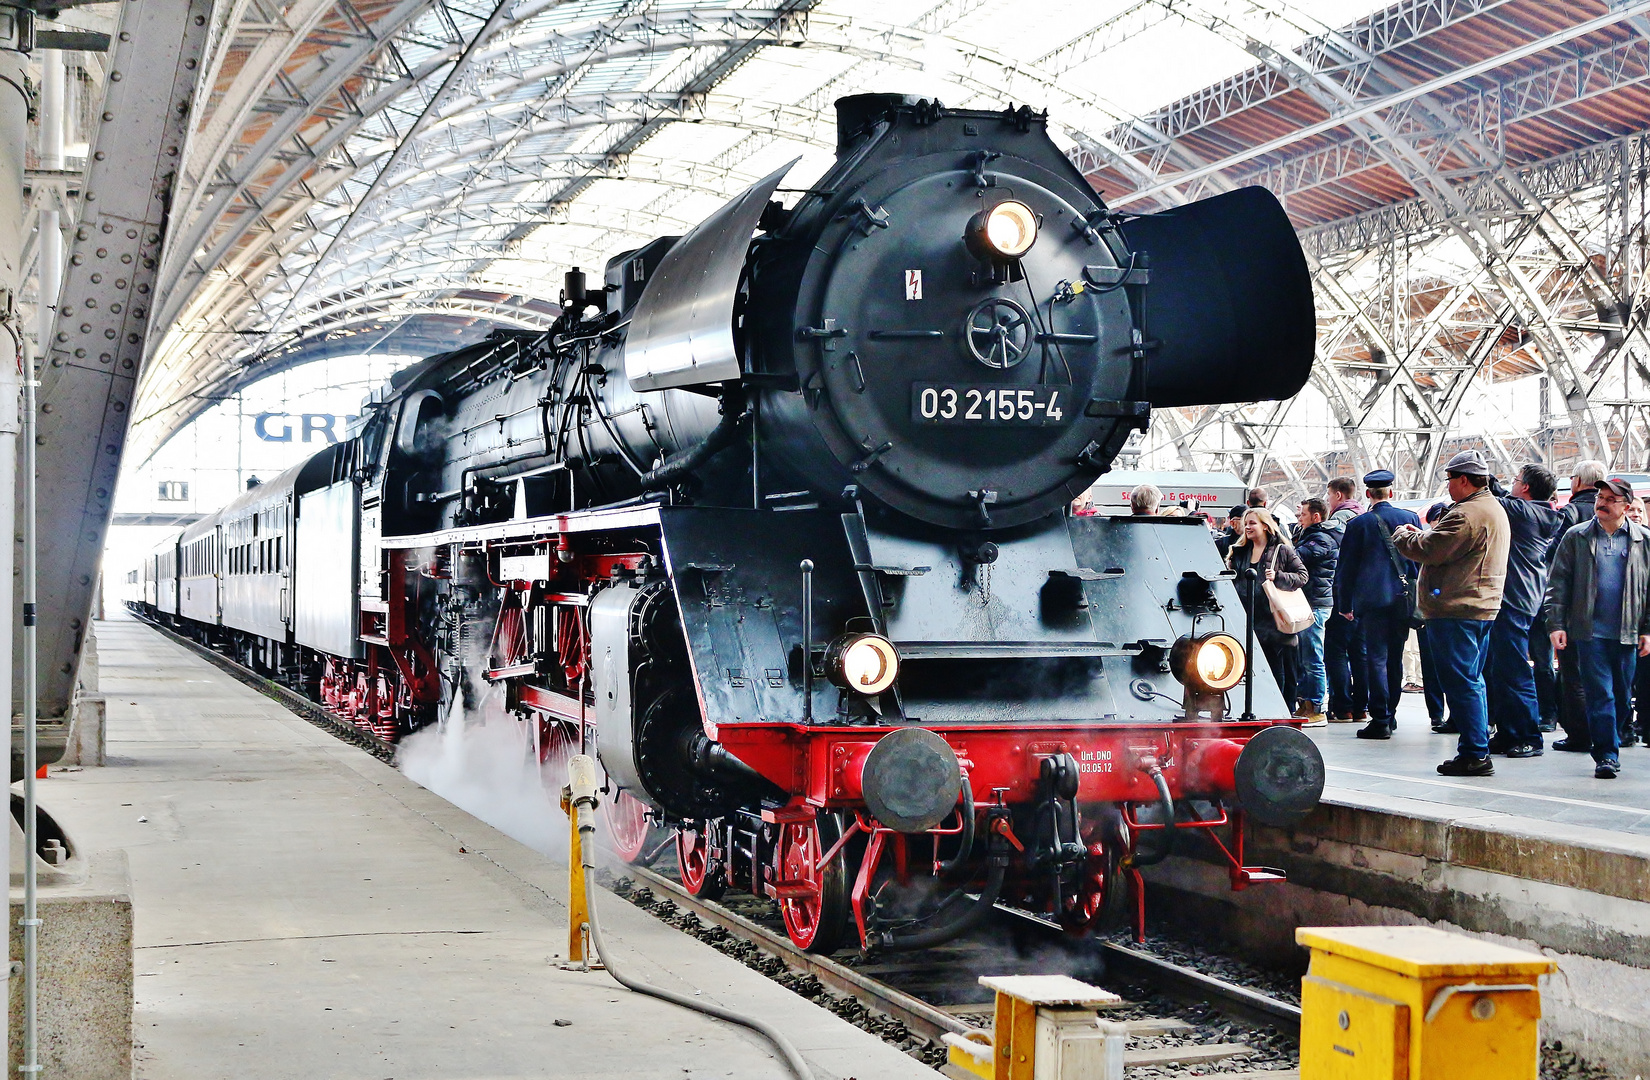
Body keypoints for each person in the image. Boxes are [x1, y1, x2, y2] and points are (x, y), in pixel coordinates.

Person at [1390, 451, 1511, 777]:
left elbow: (1430, 549)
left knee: (1462, 682)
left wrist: (1404, 534)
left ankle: (1474, 753)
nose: (1448, 487)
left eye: (1450, 480)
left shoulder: (1468, 514)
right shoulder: (1491, 508)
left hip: (1458, 608)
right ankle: (1476, 747)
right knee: (1473, 679)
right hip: (1478, 607)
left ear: (1463, 480)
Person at [1544, 476, 1650, 779]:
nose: (1601, 503)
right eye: (1600, 497)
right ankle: (1606, 755)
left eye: (1610, 499)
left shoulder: (1643, 540)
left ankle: (1611, 739)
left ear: (1626, 506)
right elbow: (1558, 583)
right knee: (1599, 694)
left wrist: (1648, 630)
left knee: (1619, 694)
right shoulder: (1577, 537)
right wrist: (1556, 624)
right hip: (1589, 632)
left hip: (1628, 632)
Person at [1332, 470, 1421, 739]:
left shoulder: (1359, 525)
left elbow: (1346, 569)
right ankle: (1390, 715)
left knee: (1376, 658)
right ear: (1390, 492)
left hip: (1372, 602)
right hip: (1403, 600)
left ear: (1368, 494)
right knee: (1395, 658)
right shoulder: (1410, 518)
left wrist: (1344, 603)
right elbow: (1417, 563)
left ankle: (1380, 719)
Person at [1484, 464, 1564, 758]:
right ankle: (1508, 733)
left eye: (1516, 481)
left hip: (1514, 599)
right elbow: (1503, 496)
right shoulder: (1540, 511)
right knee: (1503, 670)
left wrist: (1483, 477)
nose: (1513, 484)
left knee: (1516, 671)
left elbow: (1494, 499)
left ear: (1526, 488)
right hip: (1524, 596)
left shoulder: (1523, 513)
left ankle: (1529, 736)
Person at [1551, 459, 1608, 753]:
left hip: (1576, 607)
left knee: (1573, 672)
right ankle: (1613, 732)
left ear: (1577, 482)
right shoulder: (1619, 518)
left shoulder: (1570, 514)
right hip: (1611, 609)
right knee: (1607, 673)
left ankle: (1580, 734)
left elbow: (1554, 557)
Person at [1227, 508, 1309, 708]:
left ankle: (1279, 710)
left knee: (1277, 669)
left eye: (1252, 523)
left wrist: (1279, 577)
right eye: (1246, 523)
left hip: (1274, 620)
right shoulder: (1238, 552)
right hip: (1247, 618)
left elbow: (1302, 576)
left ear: (1265, 525)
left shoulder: (1282, 550)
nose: (1247, 527)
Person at [1323, 477, 1367, 722]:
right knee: (1360, 652)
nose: (1328, 501)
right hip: (1365, 598)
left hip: (1342, 595)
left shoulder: (1337, 522)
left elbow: (1339, 564)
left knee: (1336, 651)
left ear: (1338, 495)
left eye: (1329, 495)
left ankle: (1343, 706)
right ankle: (1362, 706)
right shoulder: (1366, 519)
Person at [1293, 498, 1339, 727]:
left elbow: (1296, 557)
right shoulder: (1309, 537)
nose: (1299, 518)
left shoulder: (1320, 540)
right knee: (1305, 657)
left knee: (1312, 657)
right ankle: (1305, 704)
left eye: (1302, 514)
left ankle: (1316, 707)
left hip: (1315, 604)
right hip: (1309, 603)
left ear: (1316, 516)